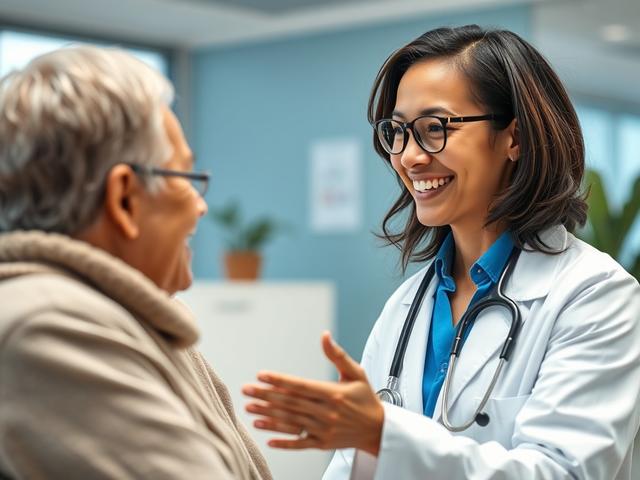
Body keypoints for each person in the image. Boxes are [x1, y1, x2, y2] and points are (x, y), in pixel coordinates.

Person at [242, 24, 640, 479]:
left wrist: (381, 434)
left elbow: (563, 473)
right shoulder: (407, 306)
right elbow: (350, 469)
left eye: (434, 128)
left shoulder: (595, 296)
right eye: (398, 132)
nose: (409, 156)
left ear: (515, 137)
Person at [0, 45, 271, 479]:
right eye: (185, 177)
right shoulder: (52, 327)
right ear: (124, 197)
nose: (200, 208)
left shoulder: (129, 317)